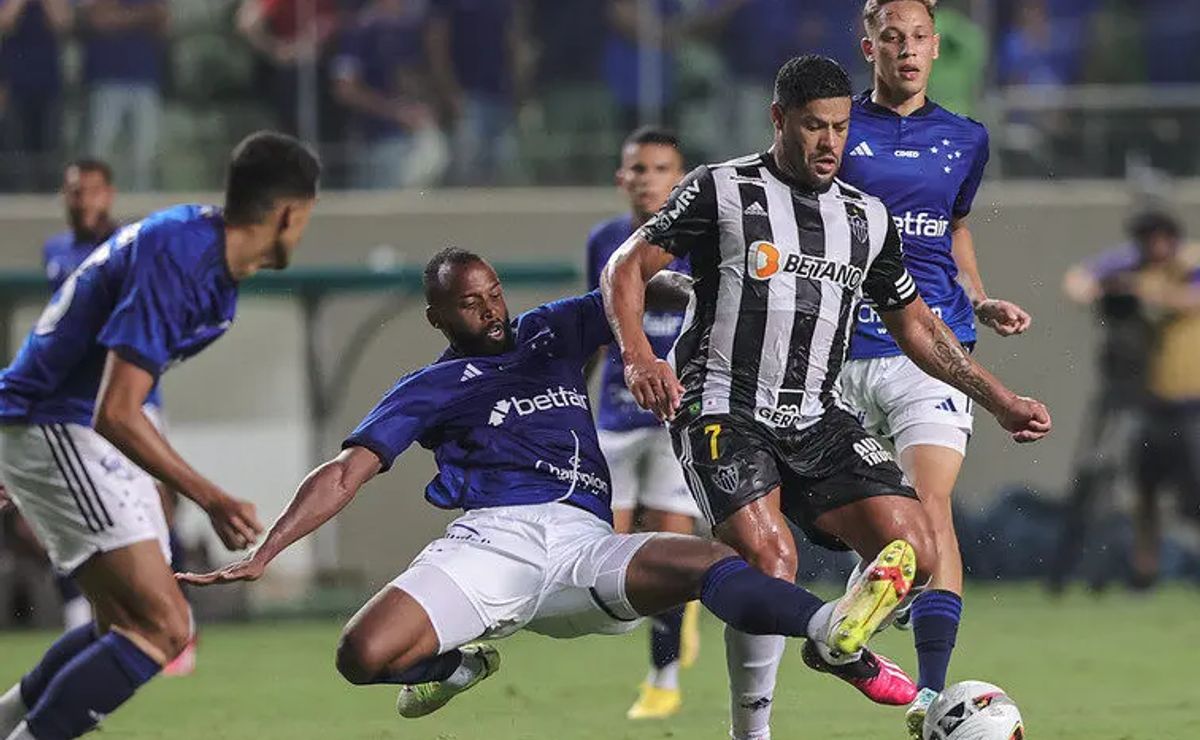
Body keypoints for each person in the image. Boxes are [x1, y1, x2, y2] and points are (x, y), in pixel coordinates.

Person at [178, 247, 918, 725]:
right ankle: (460, 664)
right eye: (471, 303)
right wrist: (265, 553)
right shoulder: (430, 385)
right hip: (490, 544)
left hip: (579, 545)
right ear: (438, 316)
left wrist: (702, 283)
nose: (491, 308)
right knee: (360, 656)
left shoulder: (549, 331)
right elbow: (348, 470)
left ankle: (832, 633)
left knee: (712, 563)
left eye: (494, 292)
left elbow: (631, 288)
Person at [601, 54, 1051, 740]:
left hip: (815, 415)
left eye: (840, 127)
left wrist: (1000, 399)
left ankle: (834, 640)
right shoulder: (722, 190)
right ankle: (752, 732)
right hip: (723, 407)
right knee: (770, 559)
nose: (829, 143)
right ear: (779, 119)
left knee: (918, 549)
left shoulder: (866, 217)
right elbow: (626, 267)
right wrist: (638, 357)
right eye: (814, 126)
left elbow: (918, 328)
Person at [0, 131, 320, 740]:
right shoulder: (182, 256)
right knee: (165, 627)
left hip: (52, 425)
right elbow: (115, 410)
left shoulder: (201, 261)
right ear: (288, 213)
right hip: (56, 425)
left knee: (122, 623)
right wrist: (212, 496)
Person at [836, 1, 1034, 734]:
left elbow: (952, 229)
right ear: (870, 47)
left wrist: (978, 300)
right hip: (839, 350)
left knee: (931, 509)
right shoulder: (835, 130)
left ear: (936, 47)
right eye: (893, 38)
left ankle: (927, 696)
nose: (908, 50)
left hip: (934, 347)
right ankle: (871, 601)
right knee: (856, 528)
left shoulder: (966, 139)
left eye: (919, 38)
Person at [586, 126, 702, 720]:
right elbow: (594, 326)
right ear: (621, 178)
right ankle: (667, 630)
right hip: (615, 412)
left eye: (661, 169)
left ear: (679, 180)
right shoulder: (603, 240)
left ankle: (663, 677)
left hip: (676, 415)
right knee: (603, 551)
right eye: (638, 169)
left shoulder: (701, 238)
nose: (648, 179)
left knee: (671, 549)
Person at [1050, 211, 1197, 591]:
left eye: (1163, 239)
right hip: (1150, 399)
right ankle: (1138, 573)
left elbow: (1185, 297)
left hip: (1192, 401)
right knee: (1142, 489)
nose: (1156, 247)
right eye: (1148, 240)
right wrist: (1111, 288)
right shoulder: (1133, 266)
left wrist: (1146, 290)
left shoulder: (1187, 265)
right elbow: (1078, 282)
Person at [332, 0, 447, 189]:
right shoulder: (359, 29)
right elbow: (344, 90)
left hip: (417, 139)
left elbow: (415, 78)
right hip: (378, 142)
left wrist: (423, 106)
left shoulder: (411, 26)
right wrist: (396, 111)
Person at [77, 0, 169, 192]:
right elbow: (99, 19)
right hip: (105, 79)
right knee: (98, 153)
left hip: (145, 78)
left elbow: (163, 18)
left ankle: (144, 206)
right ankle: (92, 200)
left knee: (145, 154)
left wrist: (120, 15)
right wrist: (140, 16)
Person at [0, 0, 72, 191]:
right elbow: (5, 23)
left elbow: (63, 24)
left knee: (49, 146)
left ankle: (48, 194)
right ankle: (16, 195)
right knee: (15, 147)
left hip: (49, 83)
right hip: (14, 83)